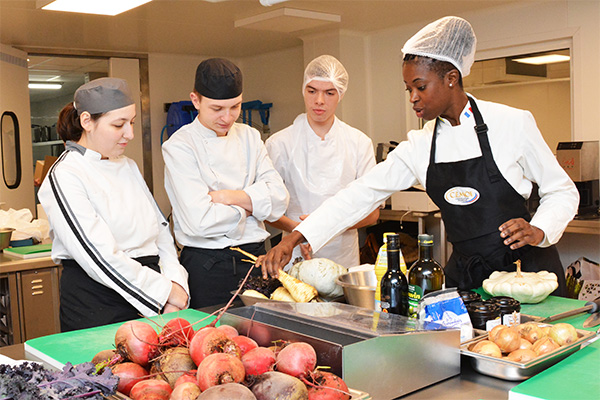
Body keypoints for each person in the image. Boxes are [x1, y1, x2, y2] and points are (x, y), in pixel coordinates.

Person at [258, 16, 579, 296]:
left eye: (420, 86)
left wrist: (539, 229)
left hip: (528, 275)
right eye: (407, 88)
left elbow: (562, 191)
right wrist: (295, 238)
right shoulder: (419, 146)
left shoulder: (512, 123)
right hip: (467, 278)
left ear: (451, 78)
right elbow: (356, 196)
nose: (412, 98)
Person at [38, 78, 190, 332]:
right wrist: (164, 292)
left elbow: (161, 231)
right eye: (118, 124)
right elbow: (99, 257)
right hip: (99, 303)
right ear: (87, 121)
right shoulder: (65, 174)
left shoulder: (128, 165)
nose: (129, 134)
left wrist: (176, 284)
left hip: (155, 293)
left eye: (131, 122)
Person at [162, 58, 289, 308]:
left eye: (235, 107)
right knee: (210, 341)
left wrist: (227, 197)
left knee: (261, 341)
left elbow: (279, 200)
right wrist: (253, 205)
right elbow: (200, 221)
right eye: (217, 108)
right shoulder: (179, 146)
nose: (227, 117)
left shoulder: (251, 137)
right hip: (207, 269)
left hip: (257, 262)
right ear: (195, 100)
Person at [265, 55, 379, 270]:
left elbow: (372, 213)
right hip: (293, 256)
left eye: (329, 93)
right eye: (312, 91)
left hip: (342, 258)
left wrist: (327, 226)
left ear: (341, 94)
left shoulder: (358, 143)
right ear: (303, 91)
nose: (319, 100)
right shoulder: (279, 143)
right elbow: (266, 208)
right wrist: (299, 231)